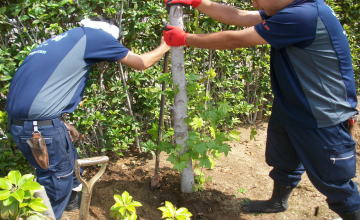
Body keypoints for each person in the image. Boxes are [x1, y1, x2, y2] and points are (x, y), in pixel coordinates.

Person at [163, 0, 360, 219]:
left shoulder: (302, 16)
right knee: (285, 160)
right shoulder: (294, 9)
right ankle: (278, 202)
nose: (254, 2)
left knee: (335, 182)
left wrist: (187, 39)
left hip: (322, 113)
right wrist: (199, 2)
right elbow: (240, 16)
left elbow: (235, 39)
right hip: (294, 104)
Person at [6, 16, 170, 219]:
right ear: (110, 33)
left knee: (66, 168)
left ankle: (70, 206)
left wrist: (60, 122)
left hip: (24, 123)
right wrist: (166, 45)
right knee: (57, 182)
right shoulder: (97, 37)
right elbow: (142, 63)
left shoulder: (64, 39)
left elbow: (40, 90)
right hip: (39, 127)